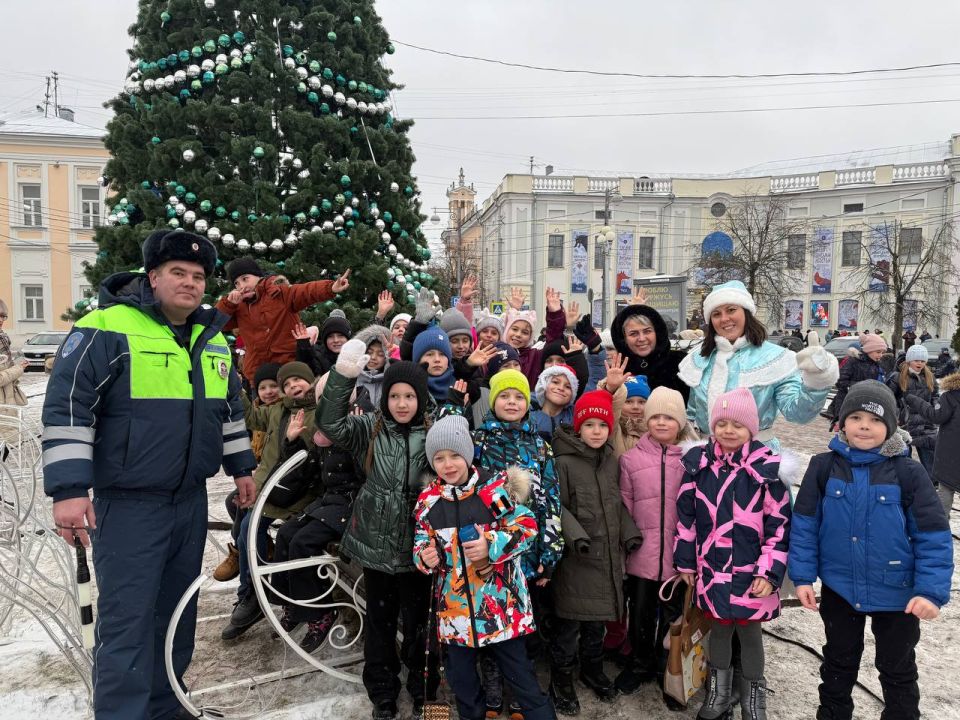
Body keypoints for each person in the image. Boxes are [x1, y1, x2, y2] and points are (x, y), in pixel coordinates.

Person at [42, 229, 257, 720]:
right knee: (129, 623)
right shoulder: (106, 328)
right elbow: (69, 407)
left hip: (189, 501)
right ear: (153, 276)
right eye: (178, 272)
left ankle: (165, 708)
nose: (190, 283)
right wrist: (69, 489)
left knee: (177, 616)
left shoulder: (212, 339)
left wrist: (241, 467)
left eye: (198, 276)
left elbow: (229, 410)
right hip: (129, 505)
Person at [789, 381, 953, 720]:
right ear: (842, 422)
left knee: (897, 667)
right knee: (837, 663)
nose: (865, 426)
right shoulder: (822, 467)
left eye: (876, 420)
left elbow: (933, 537)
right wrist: (802, 577)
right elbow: (804, 526)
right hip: (839, 587)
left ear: (891, 426)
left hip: (897, 593)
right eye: (857, 417)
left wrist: (930, 591)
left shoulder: (909, 473)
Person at [316, 345, 439, 720]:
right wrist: (342, 376)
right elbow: (330, 424)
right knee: (380, 622)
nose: (402, 404)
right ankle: (383, 693)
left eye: (409, 396)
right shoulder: (369, 427)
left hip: (419, 546)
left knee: (421, 624)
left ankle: (424, 692)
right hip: (376, 542)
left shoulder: (434, 431)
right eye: (395, 396)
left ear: (421, 399)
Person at [413, 415, 556, 720]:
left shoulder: (492, 490)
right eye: (439, 458)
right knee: (463, 686)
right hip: (454, 615)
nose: (448, 465)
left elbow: (525, 527)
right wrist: (425, 557)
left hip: (500, 609)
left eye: (455, 455)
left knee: (523, 681)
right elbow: (420, 542)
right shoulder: (428, 502)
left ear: (467, 454)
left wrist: (490, 544)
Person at [675, 388, 791, 720]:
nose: (728, 431)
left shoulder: (766, 471)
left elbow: (780, 527)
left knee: (750, 634)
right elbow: (686, 519)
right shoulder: (698, 465)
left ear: (751, 428)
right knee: (720, 631)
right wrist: (686, 562)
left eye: (737, 425)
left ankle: (754, 700)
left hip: (751, 574)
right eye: (721, 423)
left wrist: (769, 573)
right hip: (712, 571)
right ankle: (718, 695)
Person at [548, 389, 642, 715]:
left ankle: (592, 668)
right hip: (577, 560)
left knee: (596, 624)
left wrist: (630, 533)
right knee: (569, 625)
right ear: (578, 427)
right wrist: (576, 536)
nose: (597, 431)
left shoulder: (610, 462)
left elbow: (616, 505)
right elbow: (556, 507)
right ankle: (561, 678)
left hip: (606, 559)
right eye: (589, 425)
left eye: (602, 425)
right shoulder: (563, 463)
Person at [221, 361, 322, 640]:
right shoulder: (278, 410)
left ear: (311, 381)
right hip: (268, 487)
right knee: (237, 510)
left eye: (297, 381)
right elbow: (250, 416)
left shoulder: (318, 411)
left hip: (294, 492)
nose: (293, 386)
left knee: (248, 529)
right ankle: (254, 570)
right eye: (286, 384)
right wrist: (235, 385)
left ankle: (253, 592)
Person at [679, 281, 838, 451]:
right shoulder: (700, 359)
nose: (724, 318)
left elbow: (798, 414)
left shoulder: (774, 358)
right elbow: (690, 416)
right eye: (716, 314)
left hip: (757, 459)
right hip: (708, 459)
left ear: (746, 312)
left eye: (731, 310)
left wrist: (816, 380)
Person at [269, 372, 363, 654]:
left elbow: (367, 472)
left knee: (302, 542)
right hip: (329, 501)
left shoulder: (357, 424)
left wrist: (356, 438)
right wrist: (293, 442)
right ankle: (293, 603)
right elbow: (308, 469)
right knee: (286, 534)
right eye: (323, 400)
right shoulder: (323, 434)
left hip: (351, 504)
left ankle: (319, 613)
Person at [616, 387, 698, 704]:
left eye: (669, 417)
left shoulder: (693, 461)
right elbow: (625, 506)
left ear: (680, 422)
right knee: (639, 613)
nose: (662, 423)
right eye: (656, 417)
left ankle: (669, 668)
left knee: (673, 617)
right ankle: (640, 663)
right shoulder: (630, 460)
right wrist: (629, 543)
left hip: (679, 559)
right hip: (642, 555)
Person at [216, 256, 350, 385]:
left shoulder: (279, 292)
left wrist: (330, 288)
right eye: (237, 283)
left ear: (258, 276)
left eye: (245, 279)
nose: (242, 286)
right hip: (258, 376)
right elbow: (217, 323)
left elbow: (306, 291)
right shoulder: (237, 306)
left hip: (288, 371)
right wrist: (228, 304)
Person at [214, 361, 282, 583]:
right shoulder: (265, 411)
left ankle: (246, 566)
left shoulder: (284, 412)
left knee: (245, 512)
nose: (268, 392)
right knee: (233, 502)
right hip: (265, 479)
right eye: (263, 388)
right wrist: (237, 389)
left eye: (274, 386)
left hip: (280, 484)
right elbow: (249, 416)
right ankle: (255, 549)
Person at [610, 292, 690, 400]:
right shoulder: (619, 369)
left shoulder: (680, 362)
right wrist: (610, 389)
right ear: (624, 339)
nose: (641, 338)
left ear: (657, 333)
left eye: (647, 331)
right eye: (633, 334)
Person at [904, 370, 960, 515]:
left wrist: (915, 400)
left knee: (946, 489)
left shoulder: (950, 396)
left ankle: (941, 523)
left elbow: (936, 416)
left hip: (950, 454)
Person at [501, 286, 566, 388]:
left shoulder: (534, 357)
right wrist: (514, 309)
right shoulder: (495, 353)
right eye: (514, 329)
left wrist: (555, 314)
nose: (518, 334)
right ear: (506, 330)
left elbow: (553, 340)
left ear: (530, 337)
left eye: (525, 332)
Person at [888, 344, 938, 475]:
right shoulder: (897, 377)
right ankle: (907, 479)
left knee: (930, 457)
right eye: (916, 360)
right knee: (904, 457)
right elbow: (889, 398)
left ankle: (932, 481)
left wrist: (936, 409)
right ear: (909, 360)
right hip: (905, 422)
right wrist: (895, 415)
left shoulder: (930, 376)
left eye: (922, 361)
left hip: (926, 423)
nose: (919, 363)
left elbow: (935, 396)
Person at [829, 332, 887, 426]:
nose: (880, 355)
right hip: (848, 402)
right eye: (878, 352)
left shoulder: (877, 365)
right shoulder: (853, 361)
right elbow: (840, 381)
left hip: (867, 404)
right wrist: (858, 388)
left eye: (882, 353)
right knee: (848, 429)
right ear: (868, 350)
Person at [0, 297, 29, 420]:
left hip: (8, 404)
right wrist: (18, 368)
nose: (1, 320)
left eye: (3, 316)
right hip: (3, 407)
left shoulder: (3, 339)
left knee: (12, 431)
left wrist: (18, 363)